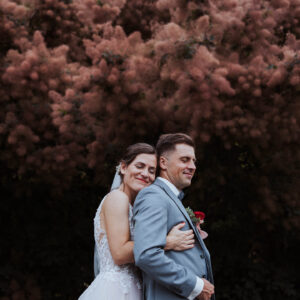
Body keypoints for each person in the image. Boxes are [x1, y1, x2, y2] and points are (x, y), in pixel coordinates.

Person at [79, 143, 195, 300]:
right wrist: (167, 241)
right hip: (116, 290)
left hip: (134, 288)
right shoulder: (118, 198)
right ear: (123, 168)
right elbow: (119, 253)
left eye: (151, 170)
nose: (145, 174)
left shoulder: (133, 206)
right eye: (140, 166)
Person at [133, 134, 215, 300]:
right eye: (184, 160)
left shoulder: (170, 198)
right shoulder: (153, 196)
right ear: (163, 163)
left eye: (193, 161)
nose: (192, 166)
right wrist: (195, 285)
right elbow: (146, 255)